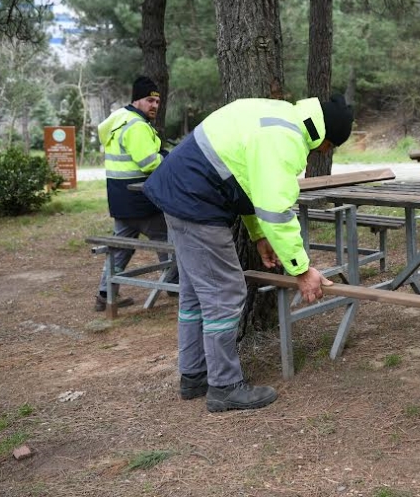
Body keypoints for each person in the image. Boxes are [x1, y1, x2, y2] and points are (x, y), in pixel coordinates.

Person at [142, 95, 355, 412]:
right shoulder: (286, 139)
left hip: (178, 192)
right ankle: (224, 386)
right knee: (224, 292)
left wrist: (257, 235)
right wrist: (301, 270)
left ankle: (194, 375)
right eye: (329, 147)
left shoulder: (278, 116)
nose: (323, 153)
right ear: (325, 137)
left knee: (195, 293)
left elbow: (248, 180)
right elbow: (277, 212)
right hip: (197, 202)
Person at [95, 76, 177, 312]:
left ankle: (105, 294)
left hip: (120, 199)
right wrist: (169, 158)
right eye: (149, 100)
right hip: (142, 201)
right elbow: (150, 163)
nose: (154, 106)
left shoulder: (119, 121)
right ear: (137, 100)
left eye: (157, 102)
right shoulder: (136, 126)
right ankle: (173, 284)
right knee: (167, 239)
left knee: (122, 245)